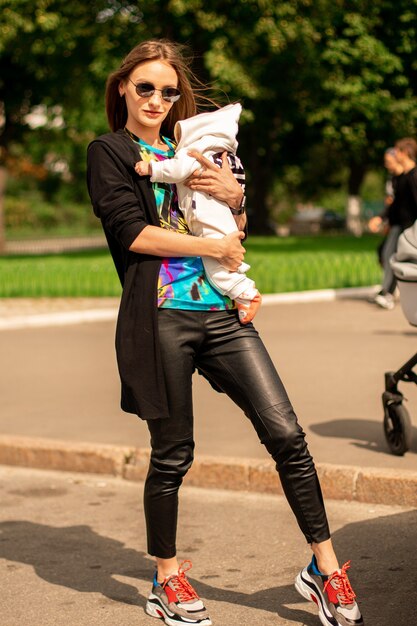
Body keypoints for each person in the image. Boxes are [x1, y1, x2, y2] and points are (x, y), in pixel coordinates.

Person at [87, 39, 364, 626]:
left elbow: (235, 229)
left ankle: (325, 567)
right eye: (145, 88)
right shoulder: (110, 152)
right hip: (161, 315)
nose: (157, 99)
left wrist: (236, 199)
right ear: (122, 90)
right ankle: (166, 576)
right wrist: (212, 244)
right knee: (173, 455)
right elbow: (132, 233)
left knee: (287, 434)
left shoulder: (198, 146)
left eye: (168, 90)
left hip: (221, 313)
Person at [135, 102, 261, 323]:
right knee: (223, 260)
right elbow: (133, 233)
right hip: (176, 297)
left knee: (217, 266)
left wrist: (151, 169)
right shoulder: (231, 158)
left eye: (169, 93)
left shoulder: (196, 152)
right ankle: (241, 286)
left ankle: (245, 292)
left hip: (206, 222)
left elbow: (177, 170)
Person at [368, 148, 404, 310]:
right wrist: (385, 221)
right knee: (386, 254)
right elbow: (392, 204)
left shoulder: (409, 178)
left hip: (407, 225)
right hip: (396, 224)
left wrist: (382, 218)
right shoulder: (393, 179)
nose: (386, 164)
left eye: (388, 161)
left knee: (392, 256)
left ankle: (387, 292)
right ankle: (389, 289)